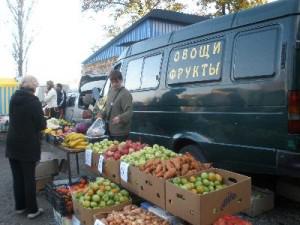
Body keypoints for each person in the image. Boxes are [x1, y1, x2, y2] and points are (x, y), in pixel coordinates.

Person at [6, 75, 46, 219]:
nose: (37, 85)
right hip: (27, 144)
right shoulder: (33, 101)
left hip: (12, 142)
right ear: (32, 86)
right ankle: (32, 210)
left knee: (17, 177)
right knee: (29, 178)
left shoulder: (13, 98)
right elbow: (42, 125)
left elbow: (13, 117)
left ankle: (20, 206)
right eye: (36, 83)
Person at [98, 70, 133, 142]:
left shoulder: (125, 94)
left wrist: (120, 118)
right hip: (110, 130)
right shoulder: (111, 91)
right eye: (112, 82)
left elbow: (129, 112)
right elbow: (108, 108)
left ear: (121, 80)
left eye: (116, 81)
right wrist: (101, 114)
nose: (114, 84)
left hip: (121, 132)